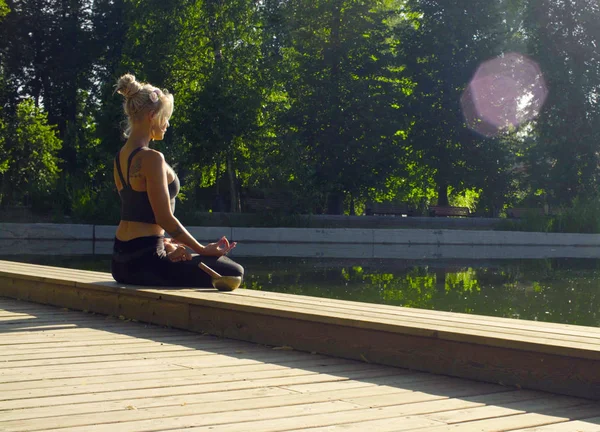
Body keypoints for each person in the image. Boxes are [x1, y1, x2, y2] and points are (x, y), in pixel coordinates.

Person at [111, 73, 244, 287]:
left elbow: (138, 212)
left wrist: (167, 245)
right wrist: (201, 249)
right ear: (152, 116)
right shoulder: (152, 158)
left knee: (220, 269)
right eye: (165, 117)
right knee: (234, 270)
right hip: (146, 262)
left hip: (120, 261)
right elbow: (164, 218)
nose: (167, 124)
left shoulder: (120, 157)